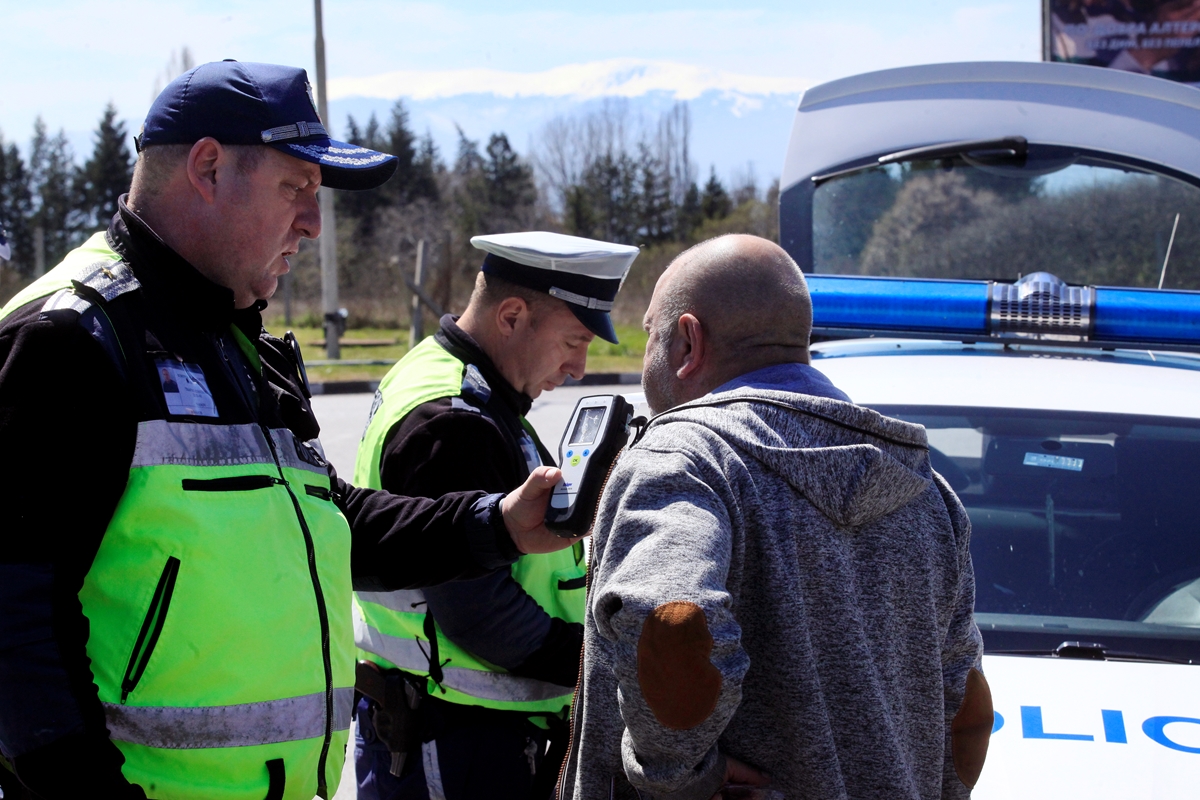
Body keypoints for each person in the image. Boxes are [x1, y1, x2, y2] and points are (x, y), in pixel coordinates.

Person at [0, 61, 574, 800]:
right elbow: (14, 628)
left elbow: (331, 521)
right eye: (295, 189)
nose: (312, 221)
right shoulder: (68, 341)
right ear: (207, 167)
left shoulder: (239, 341)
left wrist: (492, 526)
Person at [559, 234, 993, 800]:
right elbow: (965, 706)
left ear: (688, 341)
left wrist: (680, 776)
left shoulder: (686, 458)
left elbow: (668, 618)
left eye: (649, 336)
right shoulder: (927, 492)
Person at [352, 231, 638, 800]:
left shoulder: (455, 380)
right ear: (511, 315)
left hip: (451, 729)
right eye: (574, 341)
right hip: (459, 741)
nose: (580, 367)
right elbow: (480, 615)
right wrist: (599, 663)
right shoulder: (454, 421)